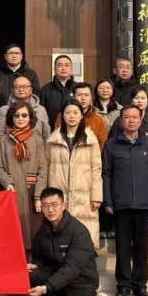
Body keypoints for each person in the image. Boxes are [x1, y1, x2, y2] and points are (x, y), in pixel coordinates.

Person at [27, 187, 123, 296]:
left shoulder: (78, 231)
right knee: (33, 273)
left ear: (63, 206)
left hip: (81, 281)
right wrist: (35, 264)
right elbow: (40, 257)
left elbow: (73, 268)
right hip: (60, 277)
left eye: (54, 204)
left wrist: (46, 288)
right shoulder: (43, 231)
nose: (50, 210)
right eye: (45, 205)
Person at [103, 105, 148, 296]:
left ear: (140, 120)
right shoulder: (112, 145)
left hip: (143, 204)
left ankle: (140, 285)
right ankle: (123, 284)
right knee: (122, 247)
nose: (131, 120)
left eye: (135, 117)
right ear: (121, 121)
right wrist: (108, 199)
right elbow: (106, 174)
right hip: (121, 203)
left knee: (141, 247)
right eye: (127, 117)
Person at [46, 100, 103, 248]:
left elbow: (96, 169)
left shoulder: (90, 139)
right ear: (62, 115)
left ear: (82, 115)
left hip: (84, 193)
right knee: (60, 238)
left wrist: (97, 196)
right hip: (59, 192)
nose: (71, 116)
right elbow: (45, 167)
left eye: (75, 112)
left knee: (82, 238)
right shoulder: (53, 140)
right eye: (68, 112)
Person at [0, 101, 47, 249]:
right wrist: (7, 183)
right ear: (11, 117)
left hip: (31, 192)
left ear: (30, 118)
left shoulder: (37, 141)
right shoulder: (4, 140)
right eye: (16, 115)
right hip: (10, 192)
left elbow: (43, 169)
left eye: (24, 115)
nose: (20, 118)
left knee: (33, 235)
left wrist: (38, 196)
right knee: (11, 234)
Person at [110, 86, 148, 182]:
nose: (140, 101)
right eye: (136, 98)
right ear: (131, 101)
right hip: (124, 169)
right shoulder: (120, 121)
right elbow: (111, 144)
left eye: (143, 98)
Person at [0, 76, 50, 149]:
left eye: (25, 87)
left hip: (36, 151)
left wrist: (46, 154)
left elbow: (46, 135)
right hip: (10, 153)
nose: (21, 89)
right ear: (12, 90)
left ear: (31, 89)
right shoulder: (4, 110)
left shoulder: (41, 110)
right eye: (17, 87)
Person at [39, 54, 77, 129]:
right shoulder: (45, 89)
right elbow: (41, 114)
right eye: (60, 65)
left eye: (67, 65)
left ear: (72, 69)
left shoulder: (78, 88)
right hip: (51, 131)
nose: (63, 68)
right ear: (54, 69)